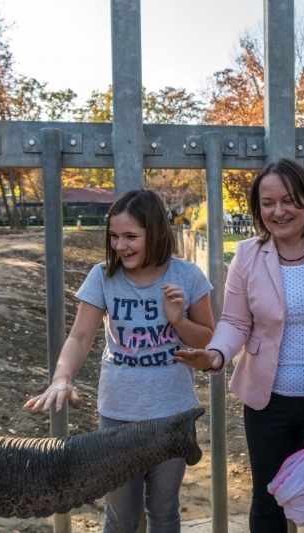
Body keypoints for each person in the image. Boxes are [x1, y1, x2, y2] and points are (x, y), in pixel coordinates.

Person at [24, 189, 214, 533]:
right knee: (121, 516)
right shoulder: (102, 276)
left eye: (130, 236)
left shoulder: (188, 276)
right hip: (118, 412)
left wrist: (179, 321)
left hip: (172, 413)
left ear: (156, 233)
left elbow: (207, 339)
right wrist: (62, 377)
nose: (120, 245)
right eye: (114, 236)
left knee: (164, 510)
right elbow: (80, 337)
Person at [174, 158, 304, 533]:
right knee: (268, 500)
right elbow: (235, 321)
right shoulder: (249, 254)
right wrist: (216, 354)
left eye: (290, 200)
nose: (279, 211)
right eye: (268, 203)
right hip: (268, 404)